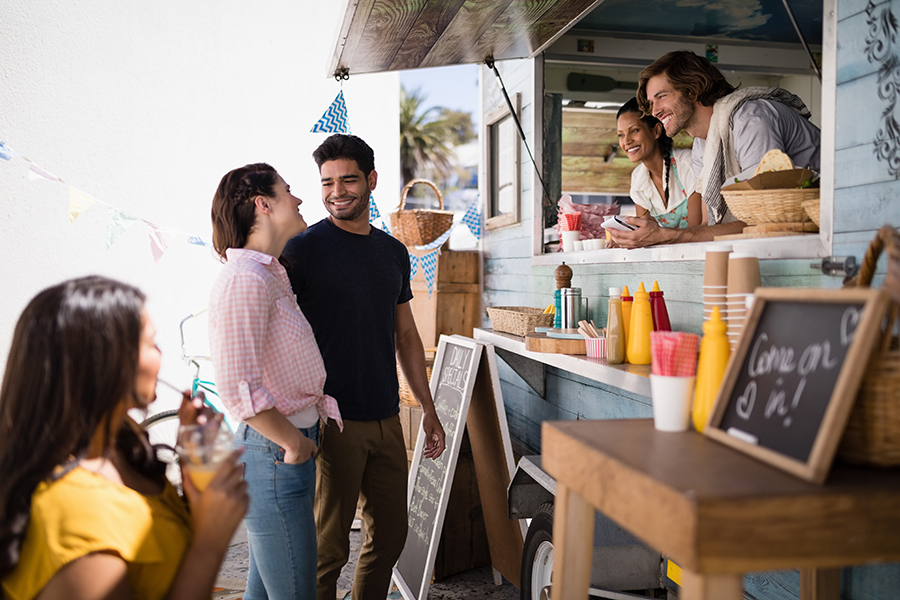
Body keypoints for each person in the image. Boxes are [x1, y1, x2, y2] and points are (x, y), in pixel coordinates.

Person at [0, 276, 248, 600]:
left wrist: (196, 465)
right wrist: (211, 542)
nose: (160, 354)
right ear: (104, 360)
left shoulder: (120, 442)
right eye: (151, 343)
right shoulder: (75, 515)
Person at [282, 134, 446, 600]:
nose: (337, 191)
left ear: (371, 181)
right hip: (332, 420)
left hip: (386, 416)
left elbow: (407, 336)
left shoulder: (392, 251)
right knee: (328, 550)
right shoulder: (303, 249)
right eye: (327, 182)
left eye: (348, 180)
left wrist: (428, 408)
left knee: (391, 535)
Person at [208, 163, 343, 600]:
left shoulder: (267, 274)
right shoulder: (246, 279)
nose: (301, 199)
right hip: (274, 455)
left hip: (281, 451)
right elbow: (237, 386)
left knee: (264, 595)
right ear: (262, 205)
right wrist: (292, 443)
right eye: (289, 192)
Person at [611, 50, 821, 247]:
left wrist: (668, 235)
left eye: (661, 96)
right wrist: (656, 235)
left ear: (692, 88)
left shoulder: (750, 120)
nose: (654, 111)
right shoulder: (702, 145)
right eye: (650, 102)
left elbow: (765, 222)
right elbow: (709, 228)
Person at [616, 97, 702, 230]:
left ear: (656, 131)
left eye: (634, 131)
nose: (626, 141)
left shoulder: (686, 164)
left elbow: (696, 232)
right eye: (621, 135)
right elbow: (646, 234)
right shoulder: (638, 178)